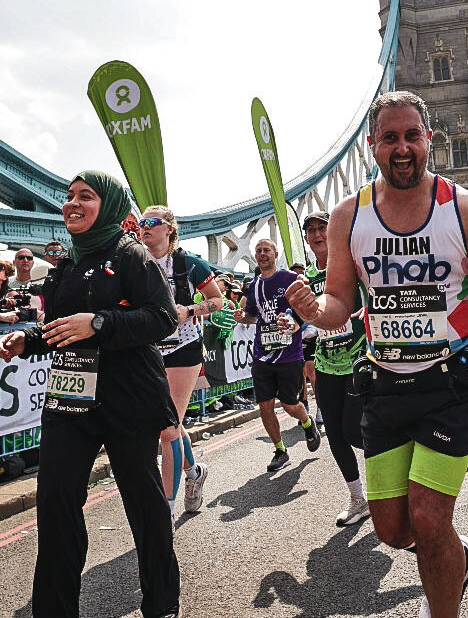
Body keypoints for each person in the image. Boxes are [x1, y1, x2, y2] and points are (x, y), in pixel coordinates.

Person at [284, 91, 468, 618]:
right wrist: (313, 309)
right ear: (372, 145)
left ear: (429, 140)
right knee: (394, 530)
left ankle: (443, 592)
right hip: (385, 382)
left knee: (430, 517)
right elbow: (340, 302)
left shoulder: (464, 210)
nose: (402, 148)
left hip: (453, 379)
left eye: (411, 136)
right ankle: (456, 559)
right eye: (390, 137)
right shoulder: (349, 215)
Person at [0, 171, 181, 618]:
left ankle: (161, 603)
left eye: (86, 196)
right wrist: (27, 340)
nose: (72, 203)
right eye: (69, 196)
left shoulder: (132, 255)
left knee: (142, 501)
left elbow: (163, 319)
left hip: (127, 398)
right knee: (55, 502)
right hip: (70, 398)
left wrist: (99, 323)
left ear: (110, 205)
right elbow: (62, 327)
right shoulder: (67, 262)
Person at [138, 204, 221, 520]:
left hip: (183, 349)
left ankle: (165, 511)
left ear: (169, 229)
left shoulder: (189, 263)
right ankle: (195, 472)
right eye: (142, 222)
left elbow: (217, 300)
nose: (145, 227)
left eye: (152, 222)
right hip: (148, 350)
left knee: (168, 430)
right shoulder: (135, 261)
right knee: (171, 423)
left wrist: (190, 311)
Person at [302, 209, 369, 527]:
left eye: (322, 228)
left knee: (354, 430)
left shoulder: (352, 264)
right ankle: (358, 499)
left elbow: (377, 287)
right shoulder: (305, 278)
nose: (317, 234)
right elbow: (307, 319)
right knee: (335, 435)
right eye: (311, 230)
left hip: (358, 357)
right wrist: (293, 322)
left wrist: (370, 305)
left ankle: (392, 483)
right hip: (327, 362)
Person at [234, 238, 321, 472]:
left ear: (275, 253)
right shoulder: (254, 286)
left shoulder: (289, 278)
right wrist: (243, 317)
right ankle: (280, 451)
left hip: (289, 354)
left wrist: (294, 320)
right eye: (258, 251)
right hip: (262, 355)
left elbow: (308, 306)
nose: (262, 254)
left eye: (266, 250)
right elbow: (253, 316)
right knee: (265, 406)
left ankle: (307, 422)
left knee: (290, 405)